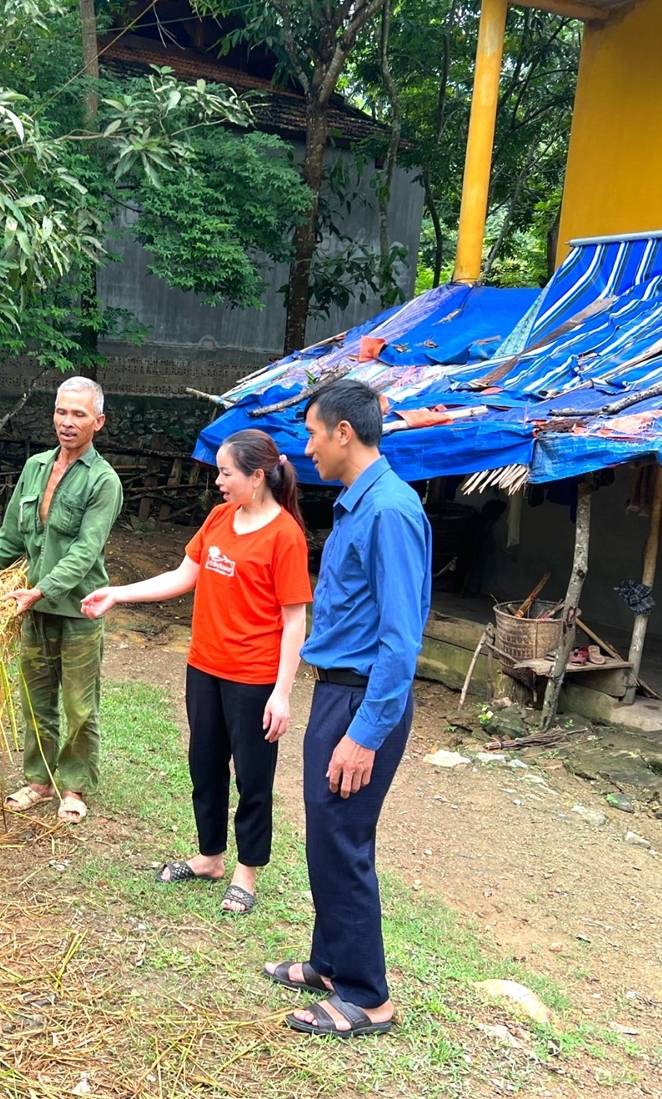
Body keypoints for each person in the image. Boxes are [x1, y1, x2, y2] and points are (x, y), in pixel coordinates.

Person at [81, 429, 310, 914]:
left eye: (226, 473)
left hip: (254, 677)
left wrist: (282, 693)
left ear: (257, 476)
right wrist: (118, 593)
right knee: (204, 766)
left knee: (252, 777)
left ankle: (247, 873)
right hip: (204, 666)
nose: (219, 482)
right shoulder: (220, 518)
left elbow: (294, 621)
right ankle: (210, 857)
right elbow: (184, 576)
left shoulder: (285, 536)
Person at [264, 379, 431, 1039]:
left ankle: (368, 996)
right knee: (326, 830)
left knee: (342, 837)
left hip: (362, 698)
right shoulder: (358, 505)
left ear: (342, 432)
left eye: (311, 432)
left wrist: (364, 734)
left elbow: (401, 638)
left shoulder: (389, 509)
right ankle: (331, 962)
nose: (306, 446)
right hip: (339, 688)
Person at [0, 377, 123, 825]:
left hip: (77, 610)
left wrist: (40, 589)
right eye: (61, 412)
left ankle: (73, 786)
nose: (67, 423)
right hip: (32, 609)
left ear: (98, 422)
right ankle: (38, 781)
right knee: (35, 700)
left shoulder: (104, 482)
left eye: (79, 415)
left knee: (78, 705)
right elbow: (12, 537)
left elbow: (85, 552)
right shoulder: (35, 467)